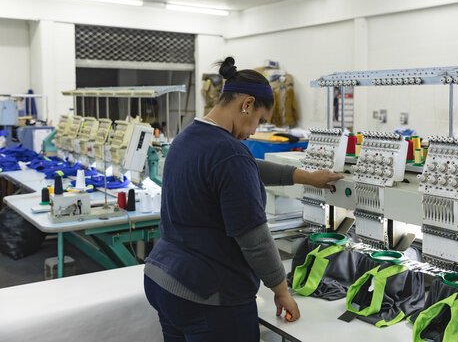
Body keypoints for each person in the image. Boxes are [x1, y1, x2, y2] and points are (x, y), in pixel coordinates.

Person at [144, 56, 343, 341]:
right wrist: (281, 291)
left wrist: (305, 177)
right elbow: (255, 239)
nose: (252, 132)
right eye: (259, 121)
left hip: (164, 281)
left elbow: (247, 165)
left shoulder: (187, 137)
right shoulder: (228, 153)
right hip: (207, 295)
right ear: (246, 104)